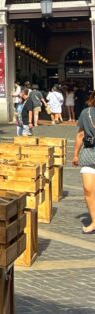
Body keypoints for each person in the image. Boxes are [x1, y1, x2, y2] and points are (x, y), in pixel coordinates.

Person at [72, 91, 95, 235]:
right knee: (88, 189)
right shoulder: (86, 113)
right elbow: (80, 134)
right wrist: (75, 154)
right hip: (89, 153)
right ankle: (94, 221)